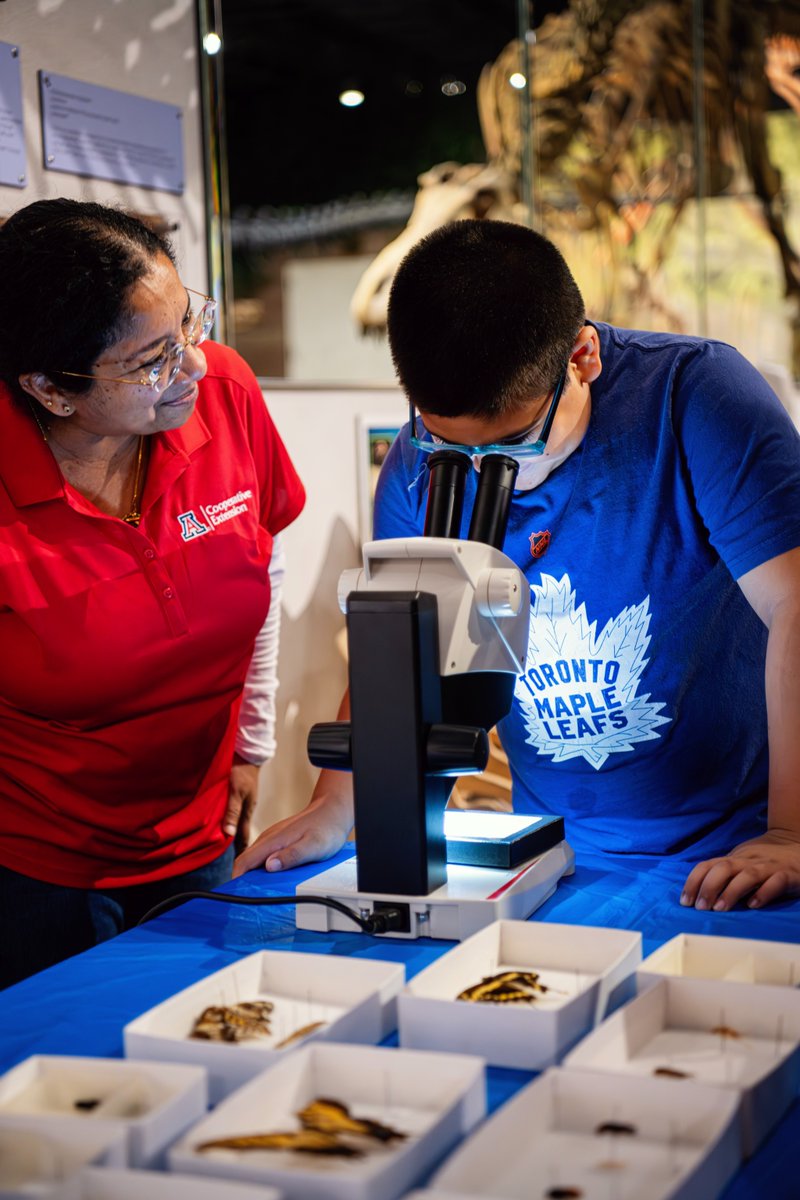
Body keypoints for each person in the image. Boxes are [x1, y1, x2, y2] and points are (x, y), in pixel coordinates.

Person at [236, 218, 800, 914]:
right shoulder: (418, 465)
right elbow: (400, 649)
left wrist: (789, 832)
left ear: (582, 357)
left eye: (511, 441)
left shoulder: (698, 397)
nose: (483, 470)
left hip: (733, 849)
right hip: (552, 849)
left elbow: (794, 605)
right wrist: (336, 804)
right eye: (450, 444)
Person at [0, 199, 305, 987]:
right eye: (153, 361)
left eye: (190, 326)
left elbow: (259, 565)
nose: (196, 366)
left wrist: (252, 742)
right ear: (51, 389)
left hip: (203, 829)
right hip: (35, 863)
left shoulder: (222, 394)